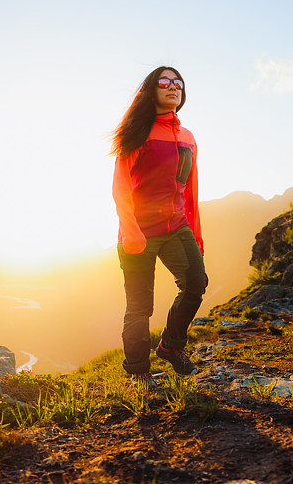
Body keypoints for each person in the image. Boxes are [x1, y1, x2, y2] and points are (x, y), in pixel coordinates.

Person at [111, 66, 208, 382]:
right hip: (138, 230)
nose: (173, 86)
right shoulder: (137, 131)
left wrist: (197, 234)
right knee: (140, 307)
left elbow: (190, 192)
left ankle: (170, 346)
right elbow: (121, 185)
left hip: (177, 227)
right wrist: (130, 230)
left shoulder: (189, 138)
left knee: (195, 284)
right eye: (165, 82)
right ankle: (139, 374)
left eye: (178, 82)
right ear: (151, 90)